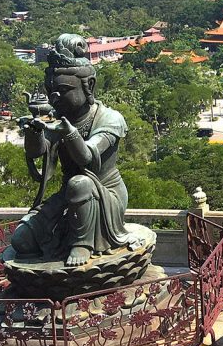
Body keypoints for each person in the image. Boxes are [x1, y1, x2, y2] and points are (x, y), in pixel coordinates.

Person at [11, 34, 133, 266]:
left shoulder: (109, 118)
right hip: (69, 195)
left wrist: (67, 132)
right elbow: (37, 154)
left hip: (105, 194)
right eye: (51, 90)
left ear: (89, 85)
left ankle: (83, 244)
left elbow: (87, 159)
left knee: (80, 182)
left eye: (63, 90)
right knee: (22, 241)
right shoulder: (57, 118)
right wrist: (33, 131)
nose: (54, 97)